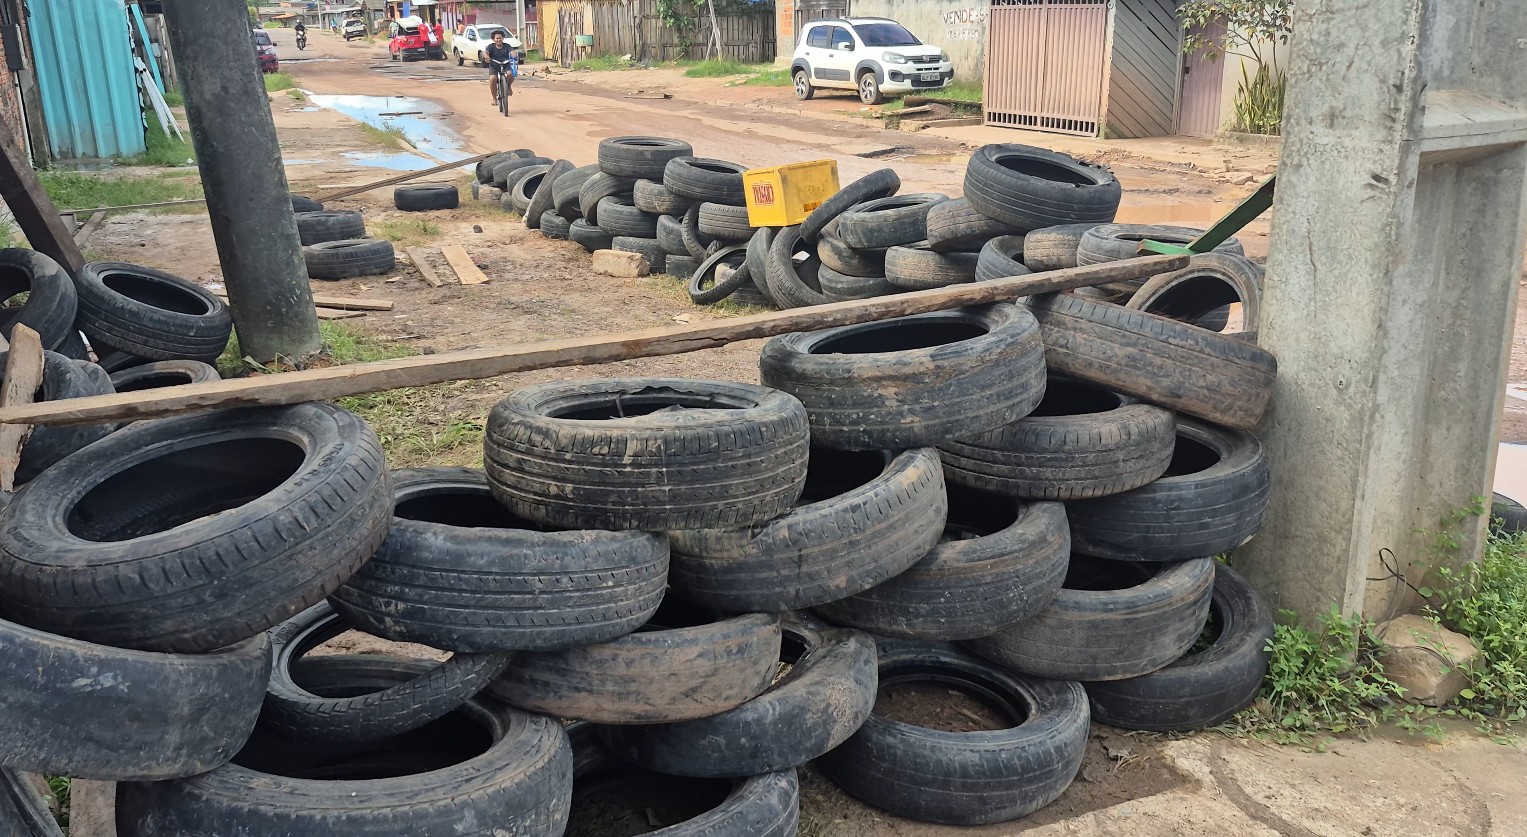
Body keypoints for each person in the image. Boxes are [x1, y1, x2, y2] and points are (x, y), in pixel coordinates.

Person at [485, 29, 517, 105]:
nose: (498, 40)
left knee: (510, 74)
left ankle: (508, 86)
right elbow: (485, 52)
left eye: (500, 38)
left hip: (506, 65)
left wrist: (514, 55)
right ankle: (494, 98)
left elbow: (512, 51)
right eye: (497, 38)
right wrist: (486, 56)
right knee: (492, 79)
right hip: (494, 66)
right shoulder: (491, 46)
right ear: (493, 39)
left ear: (503, 38)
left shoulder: (507, 46)